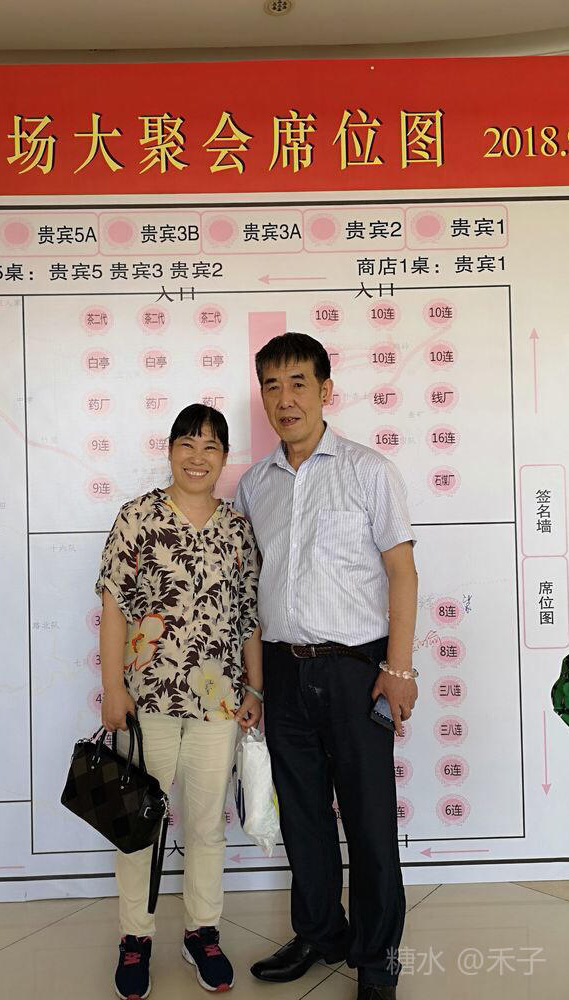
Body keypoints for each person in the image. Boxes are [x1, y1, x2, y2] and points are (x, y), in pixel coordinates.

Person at [235, 333, 418, 1000]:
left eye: (298, 384)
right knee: (303, 817)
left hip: (355, 670)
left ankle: (376, 960)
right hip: (283, 672)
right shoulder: (254, 486)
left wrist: (398, 669)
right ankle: (319, 933)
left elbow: (402, 572)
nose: (285, 399)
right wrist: (256, 684)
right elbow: (251, 589)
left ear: (325, 391)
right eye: (272, 386)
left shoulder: (369, 471)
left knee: (369, 822)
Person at [96, 403, 263, 1000]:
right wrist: (114, 688)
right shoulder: (137, 517)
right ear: (170, 450)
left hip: (220, 707)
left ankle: (202, 933)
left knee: (206, 827)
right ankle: (135, 938)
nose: (198, 457)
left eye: (211, 446)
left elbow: (247, 616)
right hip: (148, 703)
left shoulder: (237, 528)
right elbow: (113, 604)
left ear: (224, 457)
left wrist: (256, 688)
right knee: (138, 824)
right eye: (187, 444)